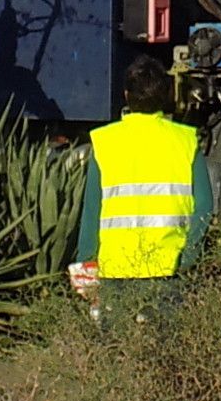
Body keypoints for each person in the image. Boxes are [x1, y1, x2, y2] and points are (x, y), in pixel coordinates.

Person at [75, 55, 213, 323]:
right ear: (166, 94)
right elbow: (204, 206)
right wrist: (188, 256)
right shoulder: (186, 141)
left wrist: (86, 266)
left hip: (116, 272)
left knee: (117, 354)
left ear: (126, 96)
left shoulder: (104, 142)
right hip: (169, 269)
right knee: (166, 356)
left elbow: (92, 211)